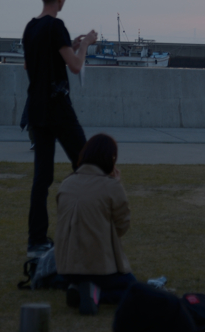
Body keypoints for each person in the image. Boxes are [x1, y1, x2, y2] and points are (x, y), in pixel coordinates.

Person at [24, 0, 98, 258]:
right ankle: (90, 227)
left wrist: (72, 43)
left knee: (41, 177)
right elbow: (76, 66)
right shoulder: (56, 26)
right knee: (86, 164)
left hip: (37, 107)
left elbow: (32, 65)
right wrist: (87, 43)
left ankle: (37, 239)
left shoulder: (31, 27)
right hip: (58, 106)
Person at [55, 133, 136, 315]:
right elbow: (122, 226)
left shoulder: (66, 184)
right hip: (98, 267)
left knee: (85, 279)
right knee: (135, 291)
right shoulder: (111, 186)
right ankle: (96, 294)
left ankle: (77, 288)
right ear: (111, 158)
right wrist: (117, 185)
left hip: (66, 266)